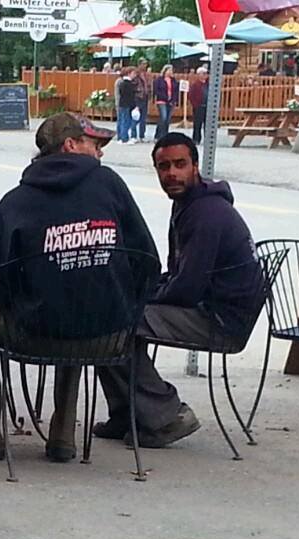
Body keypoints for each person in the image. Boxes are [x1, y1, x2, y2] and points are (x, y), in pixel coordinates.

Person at [0, 113, 159, 463]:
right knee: (76, 304)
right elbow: (148, 258)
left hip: (35, 334)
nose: (100, 154)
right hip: (111, 335)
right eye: (94, 144)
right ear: (71, 145)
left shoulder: (17, 200)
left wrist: (21, 303)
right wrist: (126, 307)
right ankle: (62, 435)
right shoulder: (110, 184)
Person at [96, 133, 264, 449]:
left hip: (221, 320)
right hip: (206, 307)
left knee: (112, 322)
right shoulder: (188, 204)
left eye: (180, 165)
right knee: (107, 315)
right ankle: (128, 413)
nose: (172, 173)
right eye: (163, 167)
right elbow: (177, 276)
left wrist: (139, 298)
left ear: (195, 166)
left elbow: (186, 289)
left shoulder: (207, 214)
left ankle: (167, 416)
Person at [114, 66, 136, 143]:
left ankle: (121, 137)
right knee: (125, 121)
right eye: (133, 73)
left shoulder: (122, 83)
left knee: (123, 120)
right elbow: (129, 96)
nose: (135, 75)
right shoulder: (127, 83)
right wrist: (134, 105)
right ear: (129, 74)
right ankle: (124, 138)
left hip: (122, 104)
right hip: (126, 104)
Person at [153, 65, 175, 140]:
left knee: (168, 119)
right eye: (169, 70)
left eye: (171, 70)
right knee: (163, 117)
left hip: (171, 101)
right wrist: (165, 97)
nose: (170, 72)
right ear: (165, 71)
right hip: (161, 100)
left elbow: (175, 91)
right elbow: (157, 91)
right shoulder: (159, 80)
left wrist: (173, 100)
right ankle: (159, 135)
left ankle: (165, 134)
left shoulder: (173, 80)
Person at [187, 66, 208, 144]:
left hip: (207, 107)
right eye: (204, 73)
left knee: (208, 124)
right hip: (199, 107)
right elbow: (191, 96)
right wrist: (195, 105)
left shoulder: (208, 84)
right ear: (199, 74)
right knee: (197, 124)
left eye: (206, 73)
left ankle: (208, 139)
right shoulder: (195, 84)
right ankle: (196, 139)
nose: (205, 75)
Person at [133, 59, 152, 142]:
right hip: (137, 97)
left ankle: (142, 135)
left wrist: (150, 92)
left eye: (146, 64)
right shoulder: (136, 74)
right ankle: (133, 135)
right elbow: (133, 85)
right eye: (144, 64)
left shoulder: (147, 74)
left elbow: (149, 85)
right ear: (139, 64)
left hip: (145, 97)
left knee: (143, 118)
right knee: (135, 117)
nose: (145, 66)